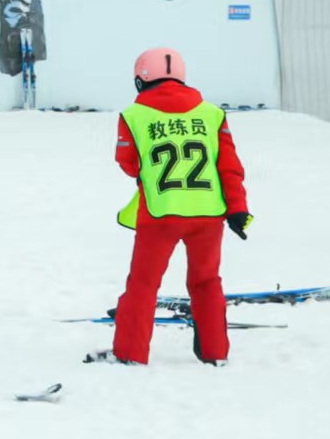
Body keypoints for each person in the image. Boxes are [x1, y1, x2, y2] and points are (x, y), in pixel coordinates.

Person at [90, 48, 250, 367]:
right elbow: (228, 166)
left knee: (143, 284)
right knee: (207, 282)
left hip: (160, 213)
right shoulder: (212, 114)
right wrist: (237, 209)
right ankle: (216, 353)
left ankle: (130, 353)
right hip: (208, 214)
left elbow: (128, 162)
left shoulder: (133, 116)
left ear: (141, 80)